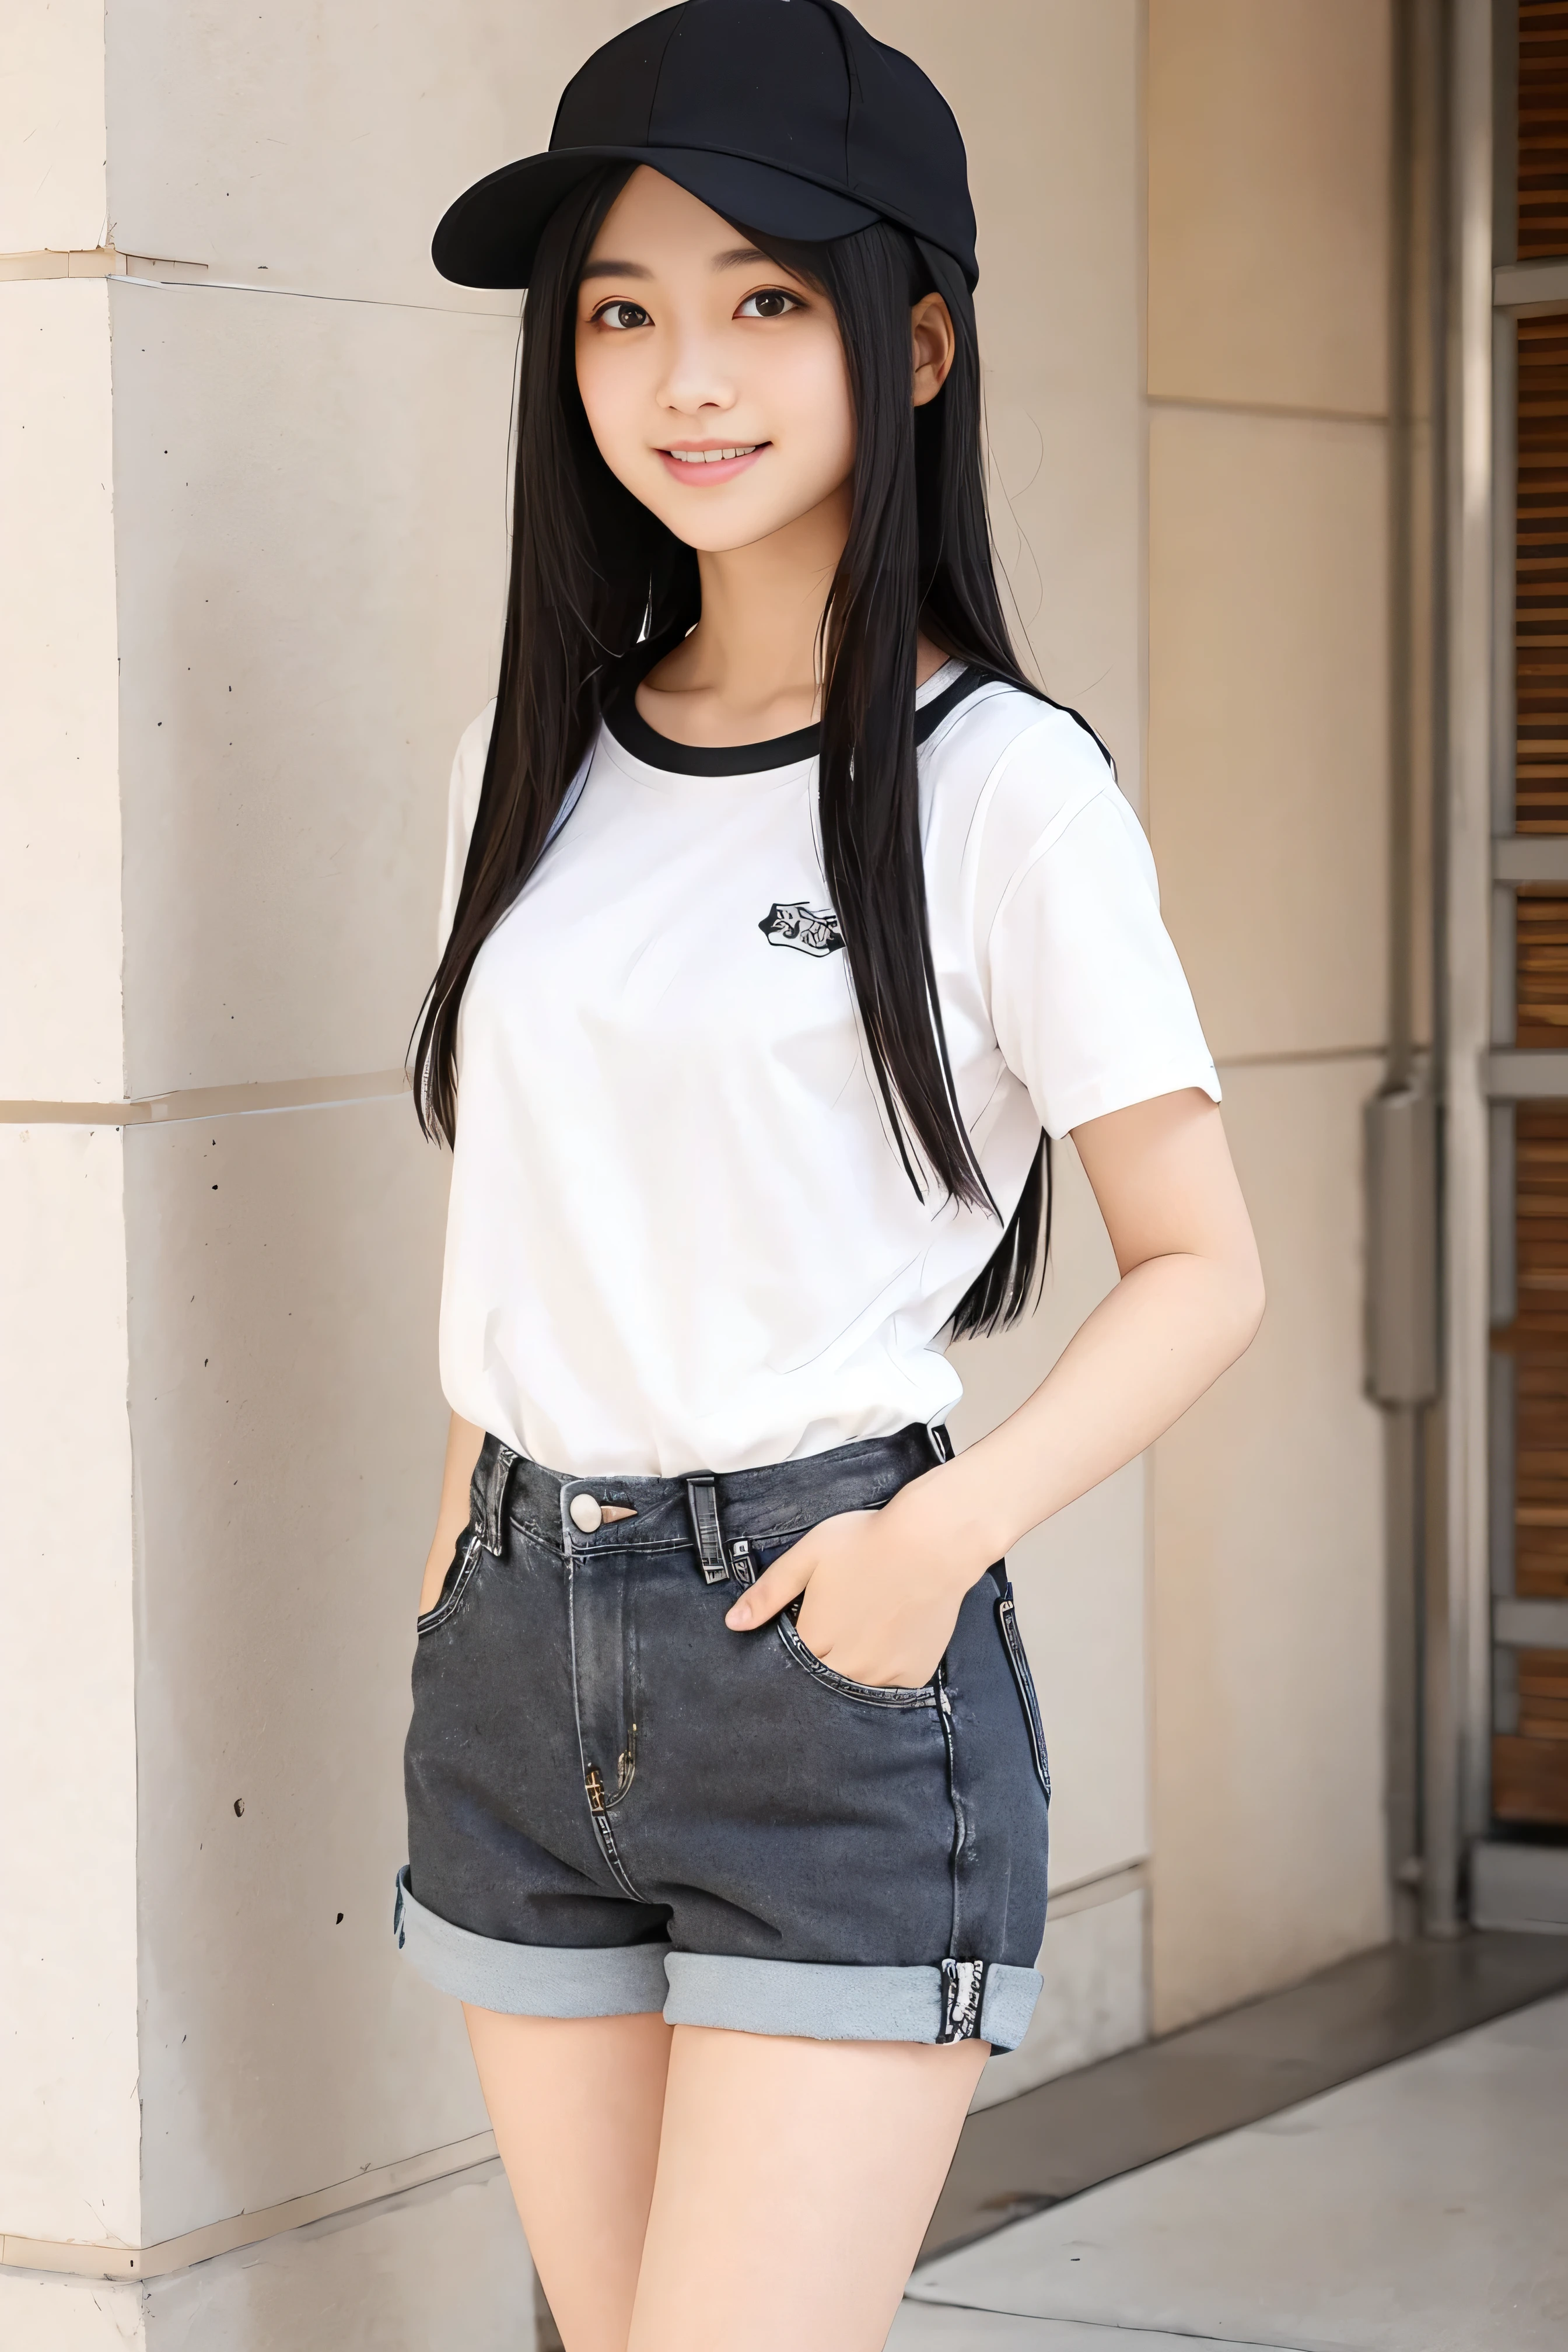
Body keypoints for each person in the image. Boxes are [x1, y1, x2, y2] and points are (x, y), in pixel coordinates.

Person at [394, 5, 1264, 2346]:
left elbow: (1205, 1266)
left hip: (824, 1660)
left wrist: (934, 1546)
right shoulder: (538, 754)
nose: (690, 372)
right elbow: (542, 1186)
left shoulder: (1003, 788)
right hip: (511, 1652)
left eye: (767, 298)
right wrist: (462, 1524)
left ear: (923, 336)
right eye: (624, 309)